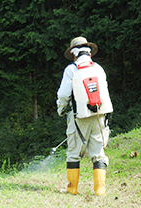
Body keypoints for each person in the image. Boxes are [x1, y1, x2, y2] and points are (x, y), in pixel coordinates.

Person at [56, 36, 113, 196]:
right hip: (100, 115)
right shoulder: (99, 68)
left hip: (78, 118)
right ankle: (100, 190)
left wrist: (61, 109)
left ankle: (72, 189)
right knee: (98, 153)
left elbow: (63, 94)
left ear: (74, 54)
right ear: (89, 53)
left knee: (74, 153)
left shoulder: (71, 69)